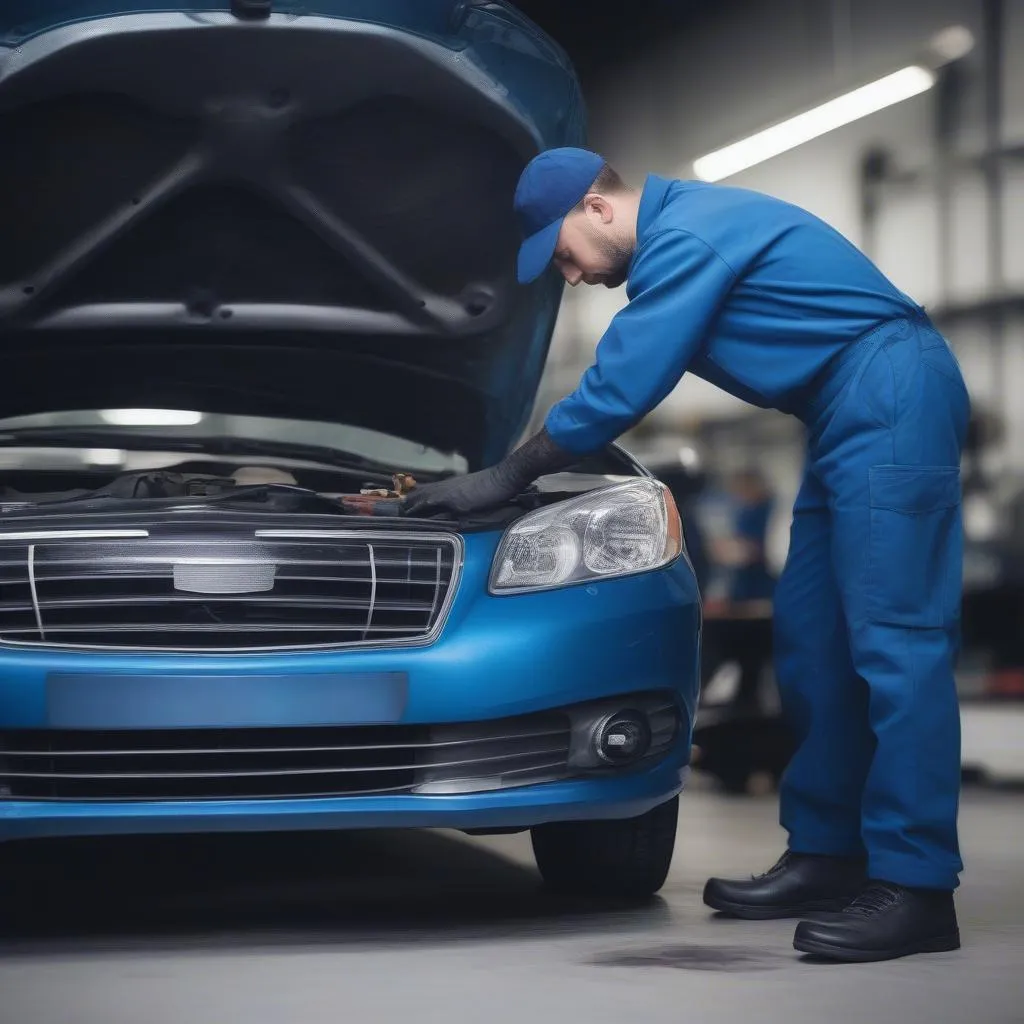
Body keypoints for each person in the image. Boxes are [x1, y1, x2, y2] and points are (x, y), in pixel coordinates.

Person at [403, 147, 970, 963]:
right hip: (842, 417)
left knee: (895, 644)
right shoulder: (684, 238)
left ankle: (918, 889)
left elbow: (626, 382)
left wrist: (509, 474)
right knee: (813, 642)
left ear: (598, 207)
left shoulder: (687, 238)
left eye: (561, 254)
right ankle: (827, 854)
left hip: (889, 393)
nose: (568, 276)